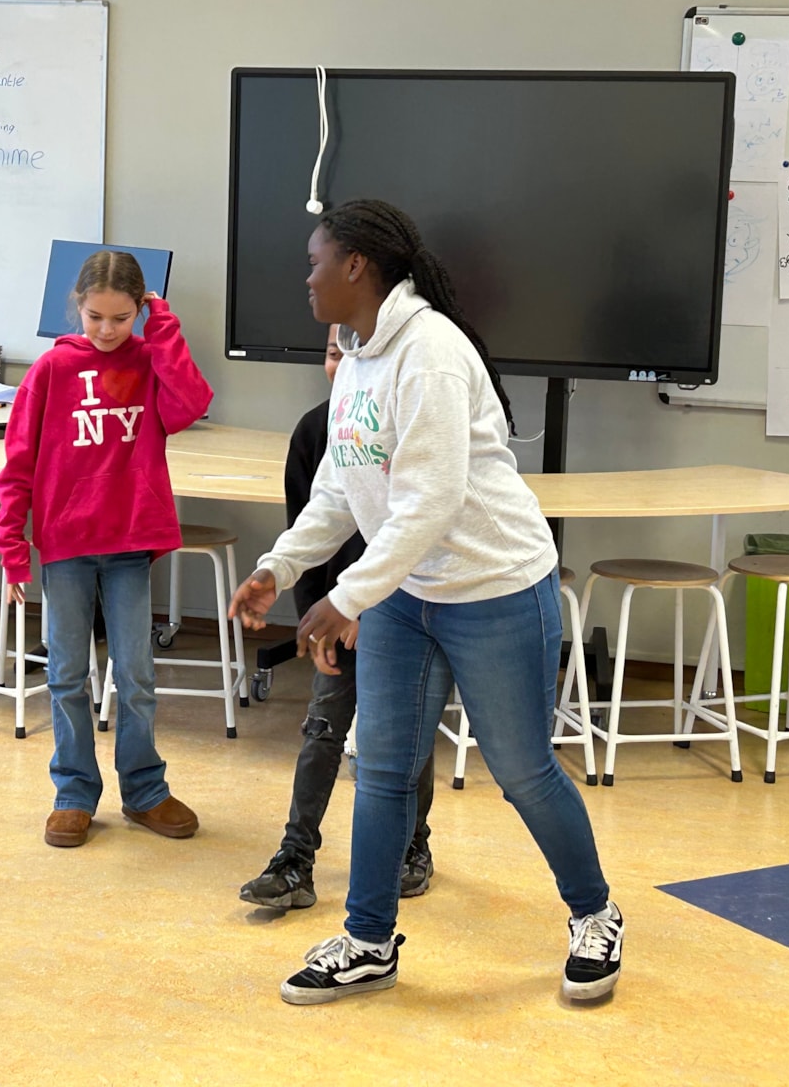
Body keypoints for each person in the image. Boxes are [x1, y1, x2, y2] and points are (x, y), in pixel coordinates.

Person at [229, 199, 622, 1006]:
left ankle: (595, 914)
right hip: (408, 594)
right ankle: (369, 940)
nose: (306, 278)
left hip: (494, 588)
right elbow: (340, 487)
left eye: (314, 262)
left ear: (356, 266)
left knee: (521, 769)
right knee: (381, 768)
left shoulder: (431, 352)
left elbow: (432, 500)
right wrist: (279, 565)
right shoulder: (356, 356)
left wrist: (347, 597)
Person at [0, 250, 213, 849]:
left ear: (141, 309)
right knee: (66, 673)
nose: (108, 330)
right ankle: (73, 793)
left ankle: (145, 791)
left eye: (122, 317)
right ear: (78, 307)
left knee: (136, 674)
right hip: (66, 543)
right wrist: (11, 544)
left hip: (130, 539)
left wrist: (163, 329)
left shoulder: (149, 359)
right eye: (95, 317)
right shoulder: (52, 369)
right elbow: (18, 461)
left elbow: (191, 404)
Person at [239, 325, 437, 911]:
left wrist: (365, 604)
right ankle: (294, 860)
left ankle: (414, 846)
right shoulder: (315, 431)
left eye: (354, 353)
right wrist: (314, 620)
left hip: (405, 603)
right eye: (332, 353)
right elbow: (310, 530)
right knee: (323, 727)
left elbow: (415, 531)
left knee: (405, 732)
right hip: (336, 608)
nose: (343, 364)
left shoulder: (410, 422)